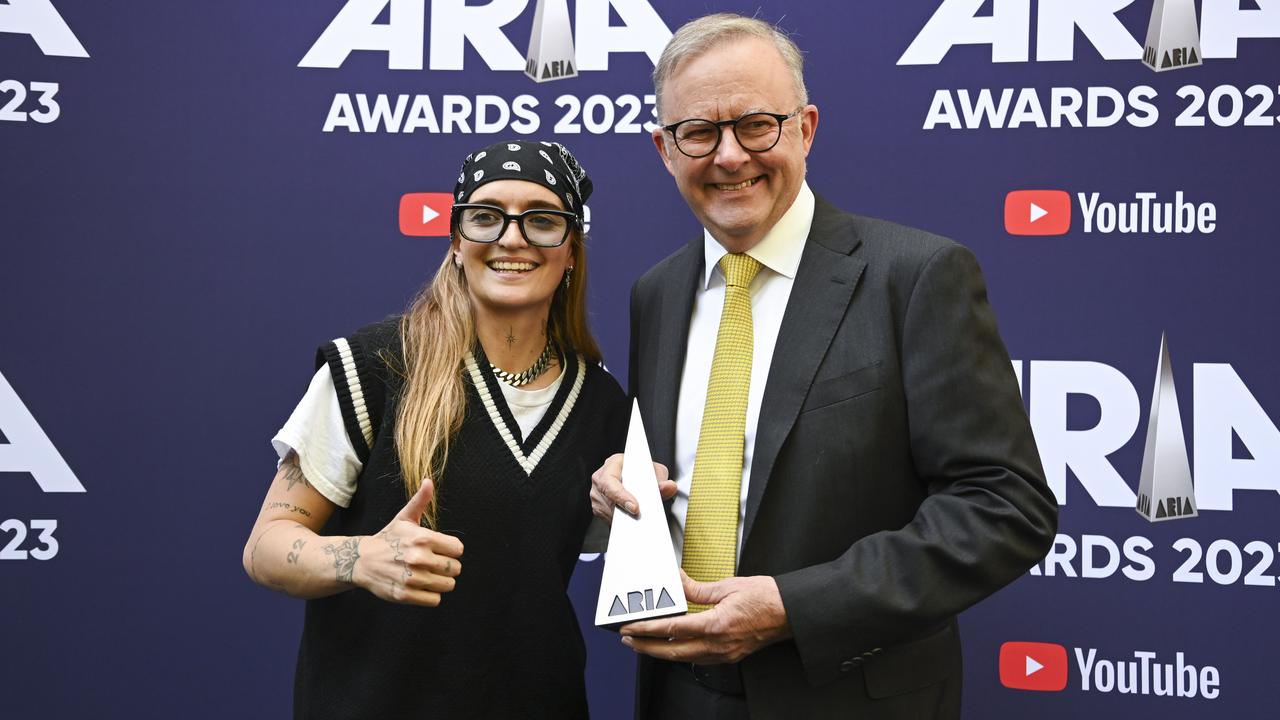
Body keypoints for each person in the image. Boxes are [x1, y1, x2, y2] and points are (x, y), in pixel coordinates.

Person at [588, 13, 1059, 720]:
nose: (728, 156)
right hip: (677, 692)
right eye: (698, 132)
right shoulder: (655, 293)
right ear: (664, 148)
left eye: (756, 124)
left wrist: (795, 607)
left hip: (849, 698)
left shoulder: (918, 275)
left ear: (805, 129)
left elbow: (1004, 507)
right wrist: (623, 500)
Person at [243, 140, 627, 719]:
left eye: (543, 221)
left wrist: (640, 508)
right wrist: (363, 557)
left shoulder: (600, 402)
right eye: (486, 217)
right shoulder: (374, 367)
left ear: (571, 250)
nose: (512, 238)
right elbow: (265, 547)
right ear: (455, 240)